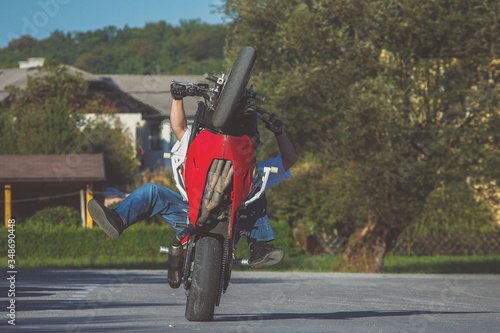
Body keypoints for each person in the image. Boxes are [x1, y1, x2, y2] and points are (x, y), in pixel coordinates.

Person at [88, 83, 297, 268]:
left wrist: (279, 133)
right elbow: (179, 128)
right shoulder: (197, 151)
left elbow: (288, 161)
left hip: (235, 221)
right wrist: (177, 98)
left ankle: (260, 247)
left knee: (257, 192)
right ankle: (118, 219)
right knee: (152, 190)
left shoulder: (252, 174)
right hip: (188, 213)